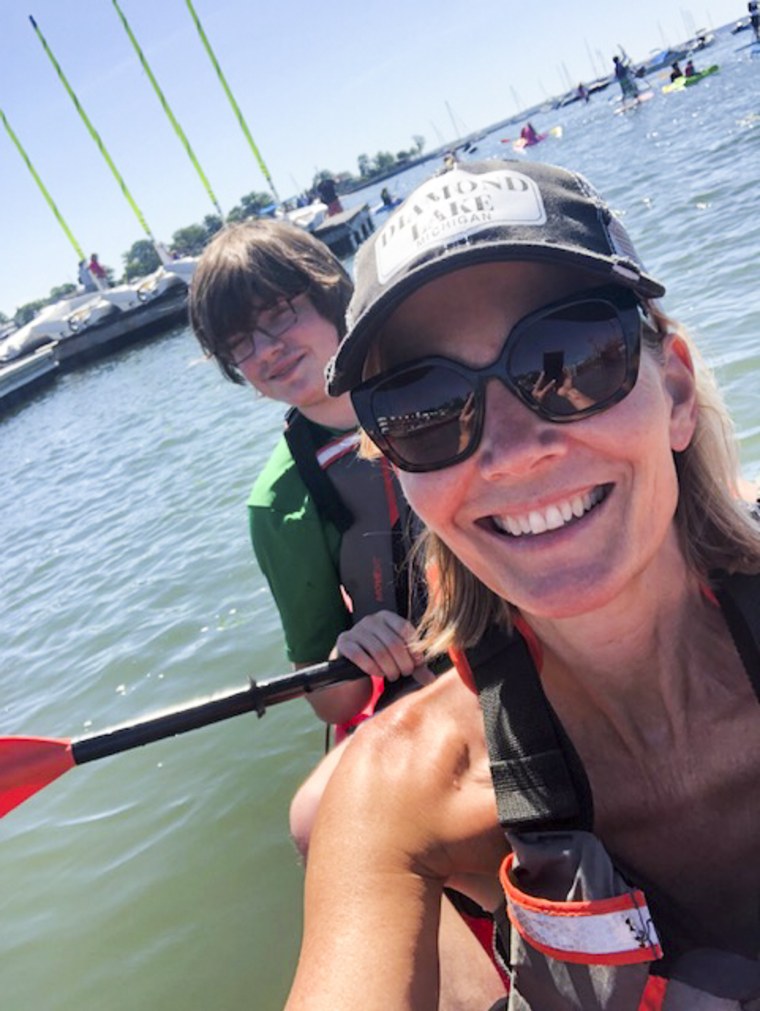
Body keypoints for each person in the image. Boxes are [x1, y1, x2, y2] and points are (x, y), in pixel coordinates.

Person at [286, 160, 760, 1010]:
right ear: (398, 471)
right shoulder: (407, 792)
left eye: (571, 358)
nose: (513, 450)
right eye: (424, 411)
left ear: (677, 390)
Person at [188, 219, 506, 1007]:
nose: (265, 348)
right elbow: (328, 694)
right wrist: (355, 646)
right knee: (315, 815)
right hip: (422, 689)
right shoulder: (279, 502)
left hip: (522, 628)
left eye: (279, 313)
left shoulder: (442, 375)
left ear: (330, 296)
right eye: (239, 343)